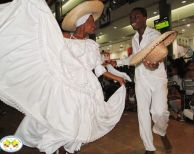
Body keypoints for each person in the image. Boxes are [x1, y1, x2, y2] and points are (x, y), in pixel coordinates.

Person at [0, 0, 127, 154]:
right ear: (82, 23)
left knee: (76, 124)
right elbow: (48, 40)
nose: (94, 25)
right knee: (61, 120)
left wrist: (117, 78)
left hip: (87, 89)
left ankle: (67, 149)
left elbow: (99, 70)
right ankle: (56, 147)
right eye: (91, 22)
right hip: (66, 85)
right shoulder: (64, 39)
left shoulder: (92, 45)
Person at [110, 7, 171, 154]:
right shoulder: (134, 38)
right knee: (142, 113)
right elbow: (135, 58)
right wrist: (117, 62)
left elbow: (162, 53)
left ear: (145, 17)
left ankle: (161, 130)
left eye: (136, 16)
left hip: (157, 79)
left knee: (159, 112)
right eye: (131, 18)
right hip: (141, 80)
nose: (132, 20)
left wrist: (156, 62)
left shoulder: (155, 34)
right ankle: (149, 147)